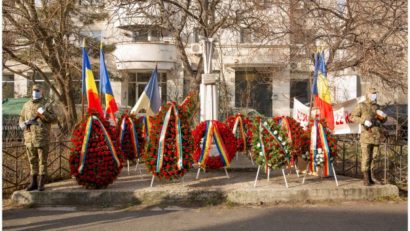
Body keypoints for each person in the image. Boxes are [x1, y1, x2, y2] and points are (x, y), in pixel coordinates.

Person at [19, 83, 57, 191]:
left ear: (42, 92)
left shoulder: (46, 105)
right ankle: (33, 182)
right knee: (32, 160)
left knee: (42, 161)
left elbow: (54, 119)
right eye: (34, 90)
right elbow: (21, 118)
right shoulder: (26, 105)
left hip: (42, 137)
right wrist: (24, 123)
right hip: (29, 138)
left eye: (38, 90)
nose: (35, 92)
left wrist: (43, 115)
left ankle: (41, 183)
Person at [351, 87, 387, 186]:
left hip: (376, 135)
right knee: (366, 157)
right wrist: (363, 121)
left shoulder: (377, 107)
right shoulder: (361, 105)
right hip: (366, 135)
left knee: (374, 157)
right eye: (372, 93)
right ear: (367, 94)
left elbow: (382, 120)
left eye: (375, 94)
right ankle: (366, 177)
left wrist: (384, 116)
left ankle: (372, 176)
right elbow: (352, 117)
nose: (374, 95)